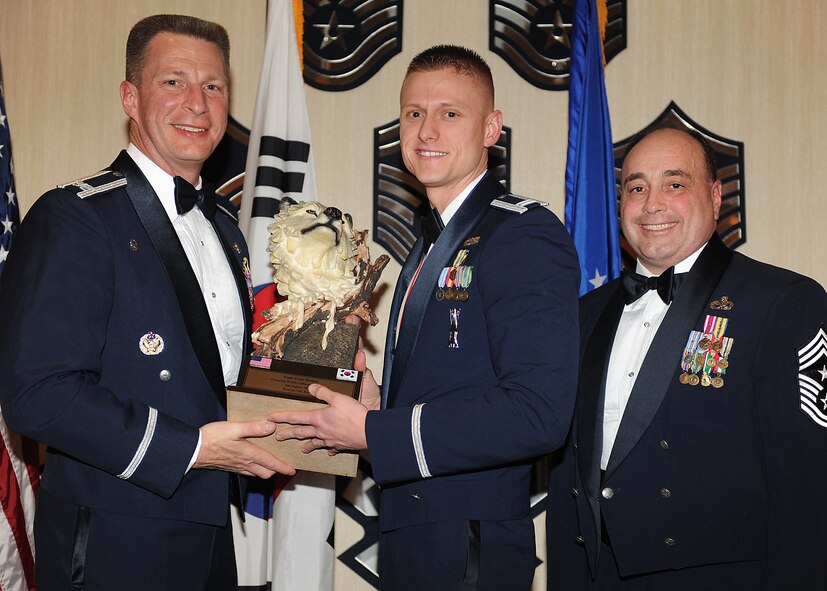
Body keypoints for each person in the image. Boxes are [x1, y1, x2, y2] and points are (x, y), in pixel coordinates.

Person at [0, 14, 295, 591]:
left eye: (213, 86)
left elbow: (222, 377)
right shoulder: (76, 217)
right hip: (116, 544)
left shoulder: (226, 231)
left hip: (212, 536)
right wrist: (190, 448)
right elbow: (36, 395)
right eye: (173, 82)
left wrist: (320, 381)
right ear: (130, 97)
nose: (197, 102)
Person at [270, 45, 580, 590]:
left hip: (469, 542)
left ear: (491, 129)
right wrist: (374, 401)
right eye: (413, 114)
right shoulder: (427, 241)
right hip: (413, 534)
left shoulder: (522, 233)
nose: (427, 131)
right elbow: (450, 387)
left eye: (450, 113)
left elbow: (539, 412)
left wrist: (374, 430)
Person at [546, 126, 827, 589]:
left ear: (715, 198)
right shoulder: (581, 316)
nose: (652, 203)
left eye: (674, 184)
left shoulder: (782, 302)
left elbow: (808, 488)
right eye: (636, 187)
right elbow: (567, 477)